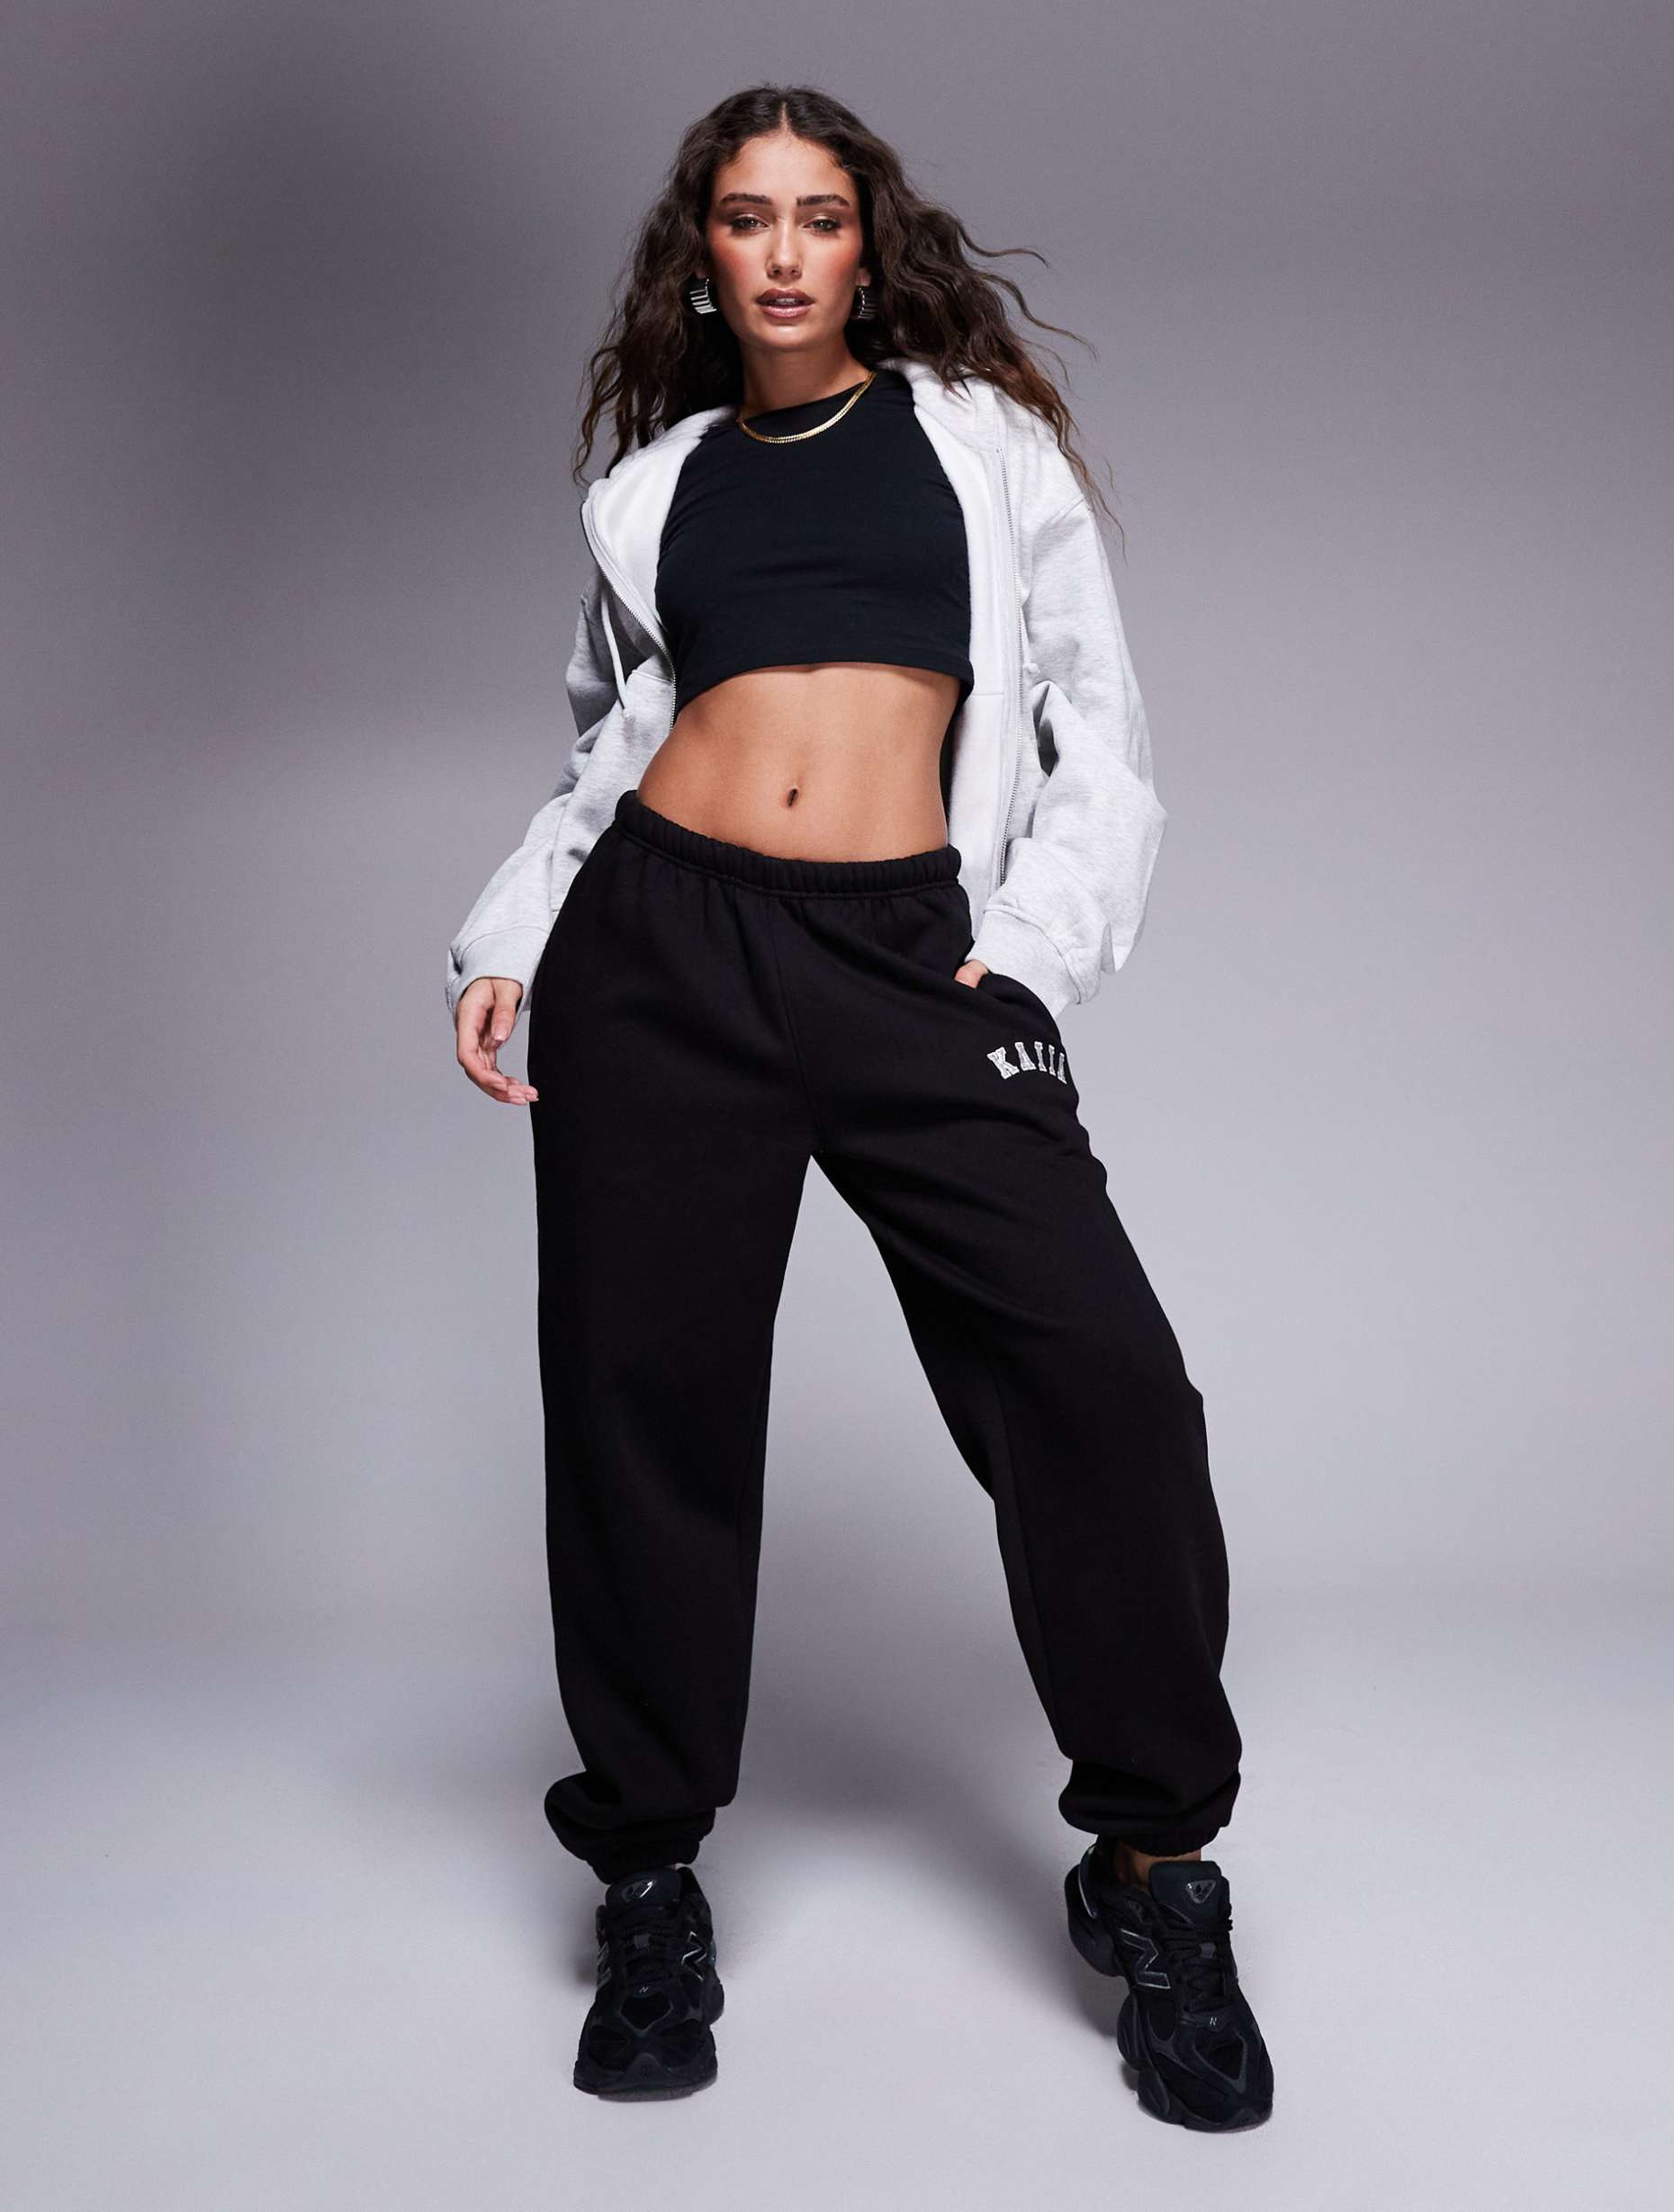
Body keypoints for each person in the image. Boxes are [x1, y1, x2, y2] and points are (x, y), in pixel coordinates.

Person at [444, 83, 1273, 2130]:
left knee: (1100, 1382)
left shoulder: (982, 446)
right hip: (661, 952)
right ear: (703, 262)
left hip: (914, 958)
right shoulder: (655, 490)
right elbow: (610, 744)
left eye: (821, 215)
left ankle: (1156, 1864)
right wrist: (514, 930)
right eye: (748, 218)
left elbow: (1101, 731)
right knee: (641, 1406)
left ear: (868, 247)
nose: (787, 251)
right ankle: (649, 1878)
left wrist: (1033, 954)